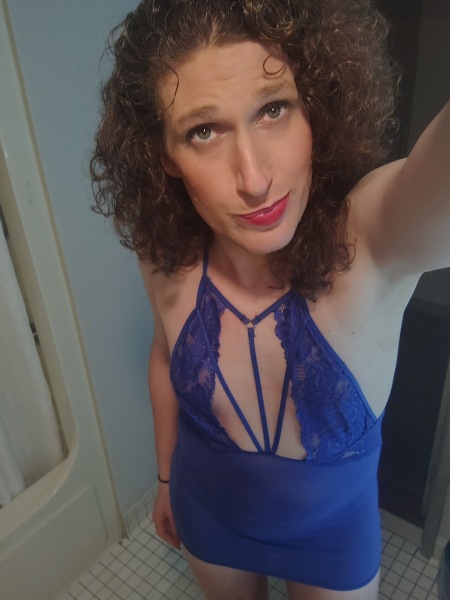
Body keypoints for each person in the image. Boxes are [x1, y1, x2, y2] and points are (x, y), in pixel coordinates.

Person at [90, 1, 450, 598]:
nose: (254, 179)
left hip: (334, 537)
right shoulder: (163, 255)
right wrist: (165, 479)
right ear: (166, 156)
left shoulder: (371, 240)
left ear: (318, 107)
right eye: (203, 131)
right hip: (207, 513)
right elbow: (163, 356)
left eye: (273, 109)